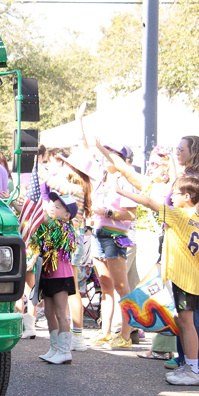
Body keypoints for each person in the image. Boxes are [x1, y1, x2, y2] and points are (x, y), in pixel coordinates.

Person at [116, 175, 199, 385]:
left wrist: (121, 192)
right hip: (190, 276)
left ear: (187, 196)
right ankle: (188, 365)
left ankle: (193, 370)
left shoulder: (178, 214)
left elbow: (148, 202)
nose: (170, 197)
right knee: (183, 322)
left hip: (183, 278)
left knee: (186, 323)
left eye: (174, 193)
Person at [97, 143, 175, 359]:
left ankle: (163, 346)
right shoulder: (148, 183)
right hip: (141, 241)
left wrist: (121, 191)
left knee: (156, 289)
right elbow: (123, 167)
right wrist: (99, 147)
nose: (151, 167)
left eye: (157, 163)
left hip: (155, 241)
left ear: (167, 166)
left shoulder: (170, 188)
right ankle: (147, 338)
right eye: (149, 162)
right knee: (142, 289)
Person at [167, 135, 199, 371]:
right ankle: (186, 357)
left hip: (192, 237)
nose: (177, 152)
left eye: (181, 149)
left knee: (190, 301)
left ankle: (194, 361)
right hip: (186, 234)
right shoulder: (193, 175)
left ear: (193, 151)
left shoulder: (194, 180)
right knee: (184, 301)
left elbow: (166, 204)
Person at [45, 148, 96, 351]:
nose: (64, 166)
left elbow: (51, 182)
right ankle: (74, 336)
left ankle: (77, 336)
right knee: (72, 289)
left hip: (69, 241)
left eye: (67, 163)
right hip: (75, 239)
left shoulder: (74, 189)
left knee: (72, 289)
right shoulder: (80, 188)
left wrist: (39, 167)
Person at [88, 141, 139, 349]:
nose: (106, 157)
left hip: (114, 236)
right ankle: (105, 332)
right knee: (105, 286)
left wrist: (107, 213)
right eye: (106, 153)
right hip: (98, 234)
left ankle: (126, 334)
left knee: (121, 287)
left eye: (112, 154)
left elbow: (131, 214)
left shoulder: (125, 180)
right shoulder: (102, 178)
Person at [31, 192, 79, 365]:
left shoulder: (63, 228)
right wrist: (15, 203)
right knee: (49, 313)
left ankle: (65, 351)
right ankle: (54, 347)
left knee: (60, 313)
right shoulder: (48, 226)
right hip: (47, 274)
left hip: (61, 276)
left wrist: (27, 205)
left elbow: (40, 217)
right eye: (53, 205)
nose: (53, 208)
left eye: (58, 207)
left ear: (67, 216)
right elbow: (37, 219)